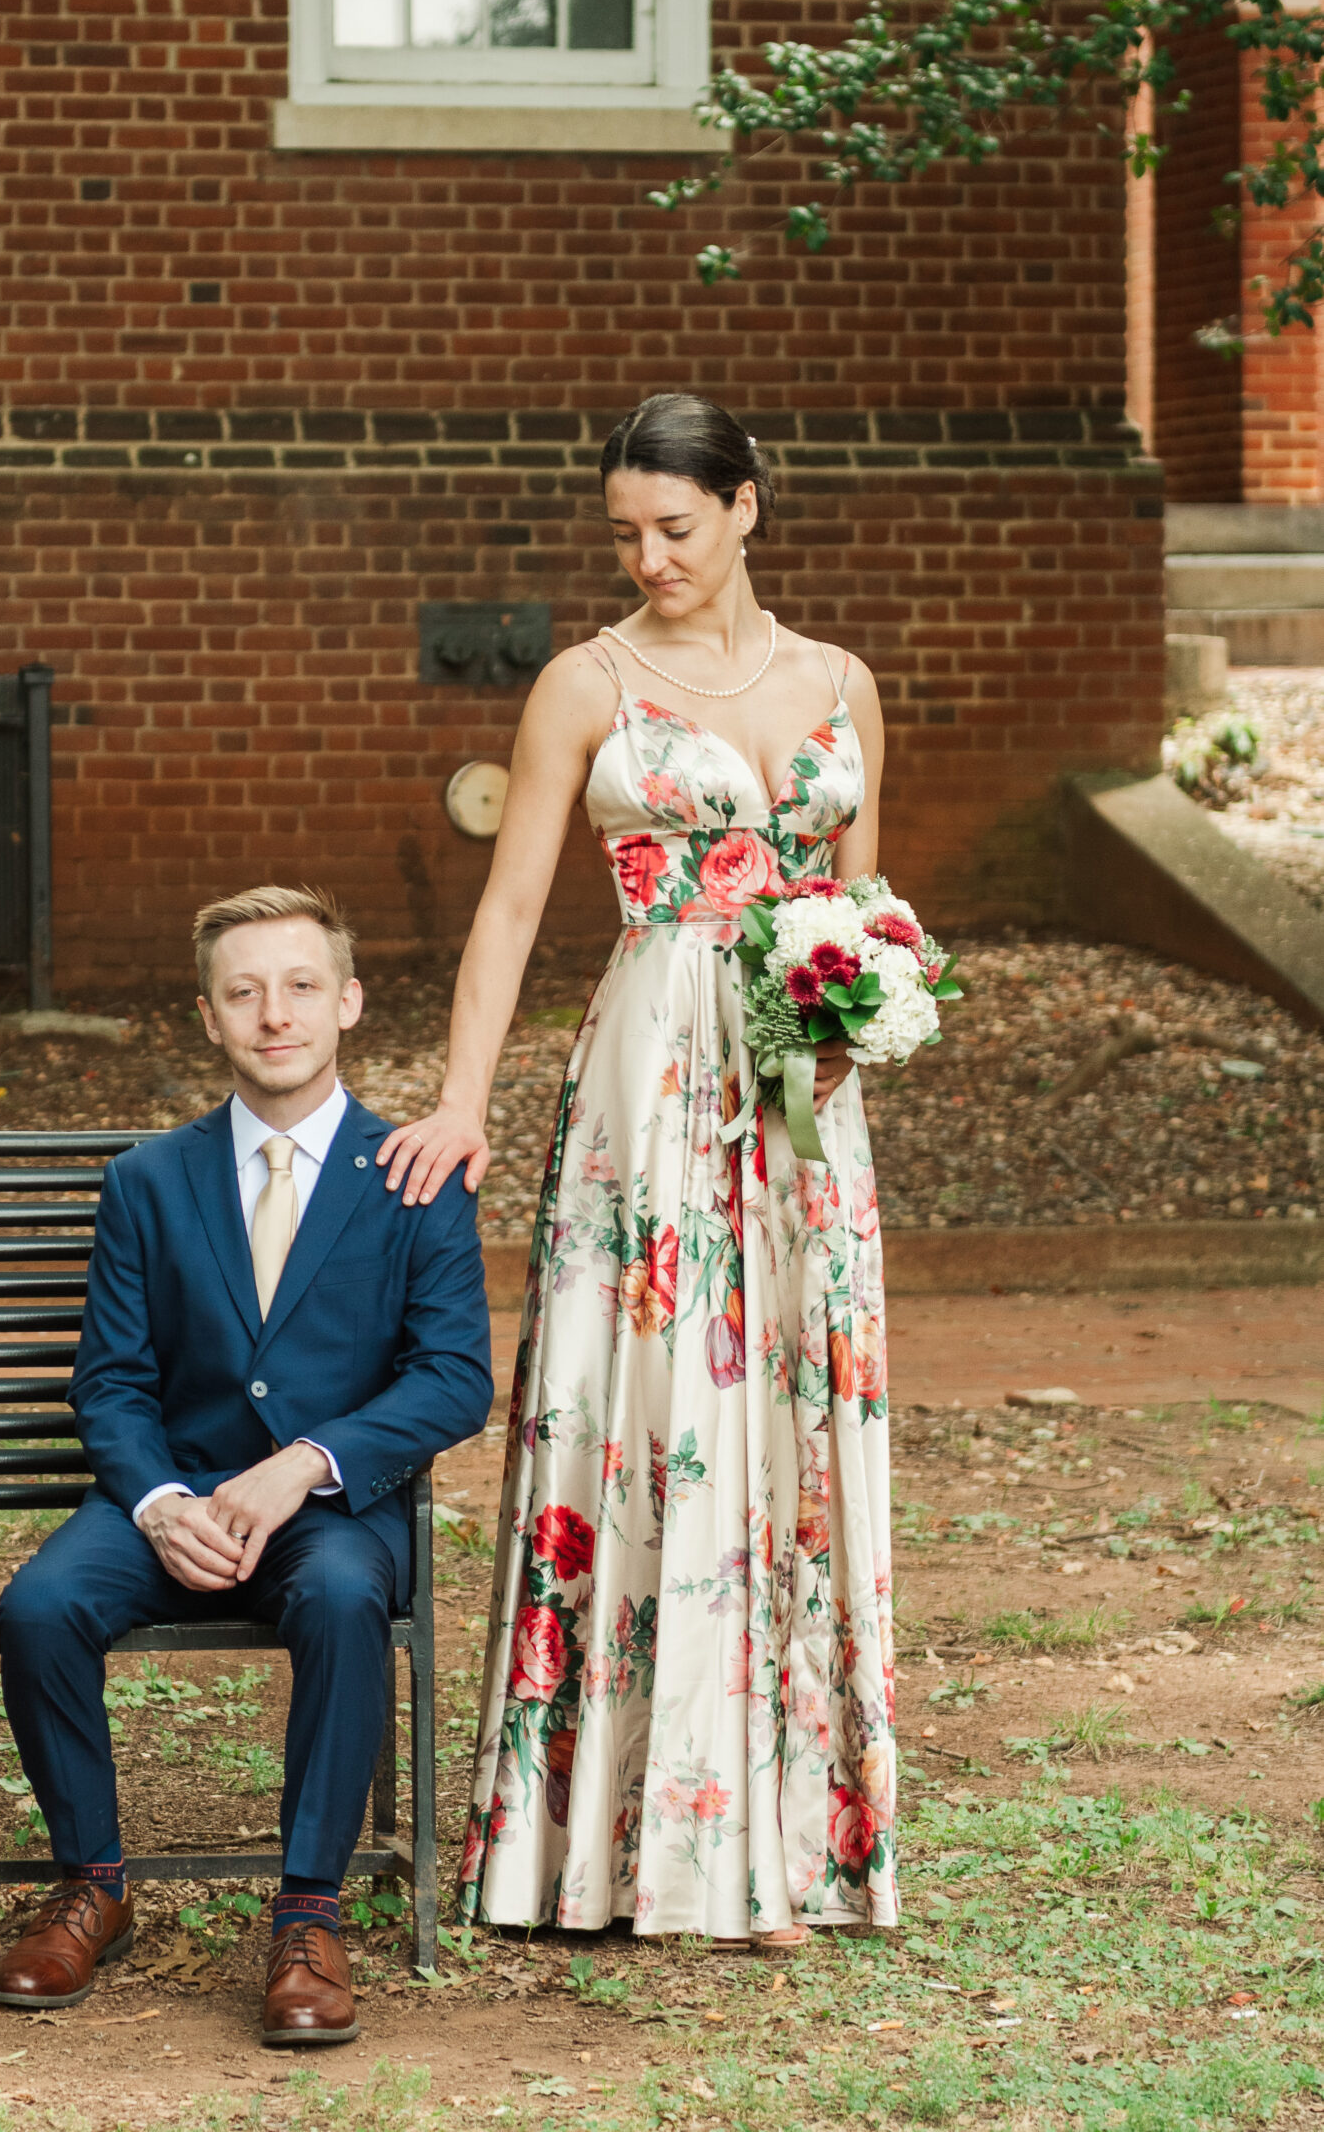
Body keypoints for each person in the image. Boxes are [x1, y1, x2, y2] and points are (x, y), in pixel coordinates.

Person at [378, 392, 899, 1945]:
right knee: (661, 1410)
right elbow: (509, 911)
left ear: (746, 506)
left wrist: (851, 1028)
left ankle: (791, 1834)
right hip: (652, 1070)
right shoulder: (581, 684)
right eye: (623, 532)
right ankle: (639, 1839)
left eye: (673, 524)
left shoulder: (838, 683)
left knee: (791, 1407)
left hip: (799, 1091)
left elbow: (862, 912)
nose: (647, 554)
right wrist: (461, 1097)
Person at [0, 885, 493, 2044]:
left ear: (347, 1002)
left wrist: (308, 1463)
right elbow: (112, 1383)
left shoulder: (413, 1172)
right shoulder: (149, 1181)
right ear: (209, 1017)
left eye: (302, 985)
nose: (277, 1014)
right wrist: (162, 1502)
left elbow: (454, 1376)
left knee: (338, 1592)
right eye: (245, 992)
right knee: (40, 1606)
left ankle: (308, 1913)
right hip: (173, 1500)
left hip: (325, 1512)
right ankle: (93, 1884)